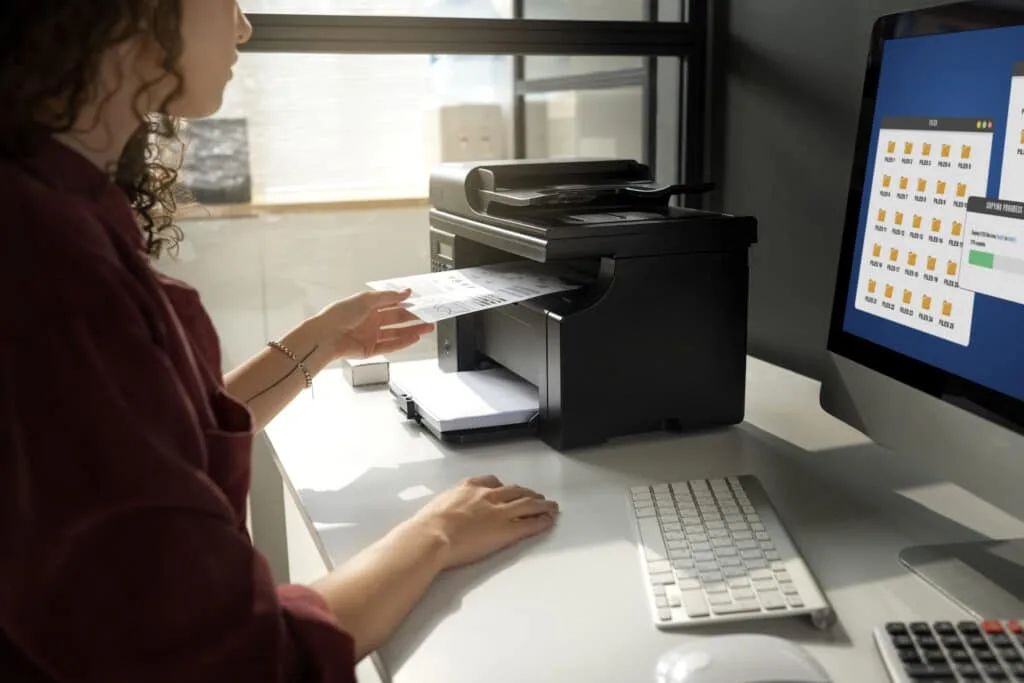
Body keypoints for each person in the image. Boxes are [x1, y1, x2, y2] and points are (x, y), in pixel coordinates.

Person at [0, 2, 559, 681]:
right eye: (228, 1)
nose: (244, 26)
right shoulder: (55, 271)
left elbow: (153, 436)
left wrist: (321, 340)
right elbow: (228, 654)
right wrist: (436, 533)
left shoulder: (55, 206)